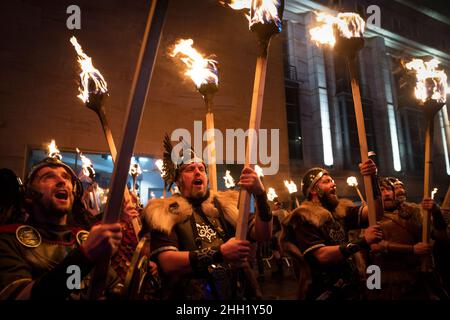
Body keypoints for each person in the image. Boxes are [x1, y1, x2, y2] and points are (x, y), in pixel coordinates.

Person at [143, 136, 272, 300]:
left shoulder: (227, 205)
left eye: (201, 168)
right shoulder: (163, 212)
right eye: (190, 169)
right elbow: (168, 263)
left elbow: (263, 235)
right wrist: (220, 252)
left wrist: (260, 195)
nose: (197, 171)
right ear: (178, 179)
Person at [0, 157, 124, 299]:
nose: (62, 181)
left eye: (66, 177)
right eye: (49, 177)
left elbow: (114, 287)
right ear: (29, 194)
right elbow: (21, 296)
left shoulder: (83, 239)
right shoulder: (8, 241)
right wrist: (84, 257)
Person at [282, 160, 383, 300]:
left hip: (352, 289)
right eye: (327, 181)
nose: (334, 183)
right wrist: (363, 241)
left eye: (333, 180)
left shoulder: (341, 211)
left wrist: (373, 179)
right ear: (313, 190)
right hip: (324, 291)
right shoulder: (304, 217)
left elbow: (375, 213)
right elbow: (322, 256)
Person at [369, 177, 448, 299]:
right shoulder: (370, 216)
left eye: (389, 189)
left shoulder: (414, 210)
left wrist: (436, 212)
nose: (386, 194)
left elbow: (441, 236)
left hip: (419, 276)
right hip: (387, 281)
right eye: (381, 190)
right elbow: (374, 247)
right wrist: (412, 249)